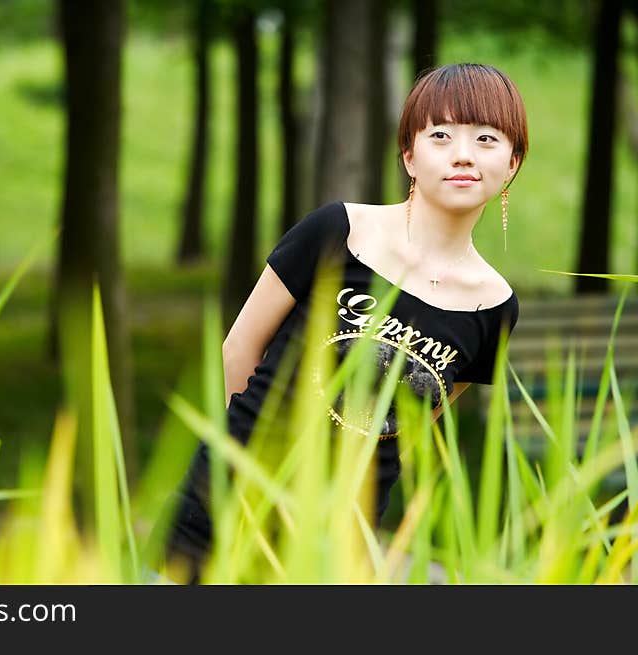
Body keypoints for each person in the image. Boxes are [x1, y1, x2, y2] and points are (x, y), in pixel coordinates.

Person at [162, 62, 527, 584]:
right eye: (441, 135)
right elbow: (240, 347)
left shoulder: (494, 308)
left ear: (512, 163)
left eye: (487, 139)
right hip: (230, 497)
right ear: (409, 155)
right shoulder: (339, 229)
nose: (463, 154)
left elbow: (414, 421)